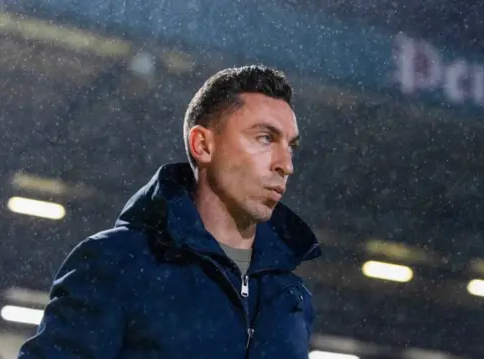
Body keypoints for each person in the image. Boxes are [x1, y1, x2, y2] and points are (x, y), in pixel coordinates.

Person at [17, 65, 322, 359]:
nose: (286, 164)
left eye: (291, 146)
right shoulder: (118, 262)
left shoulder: (291, 296)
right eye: (265, 138)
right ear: (203, 145)